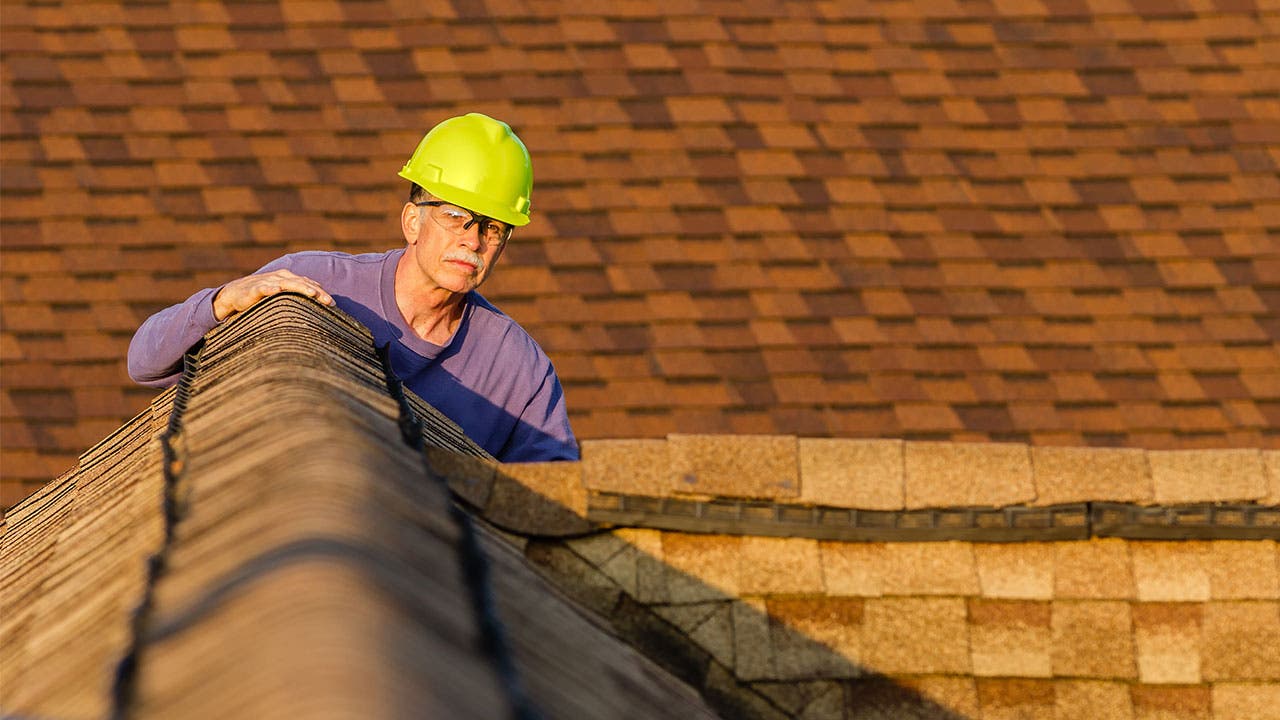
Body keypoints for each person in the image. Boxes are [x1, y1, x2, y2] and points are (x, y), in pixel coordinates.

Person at [128, 113, 578, 462]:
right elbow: (144, 362)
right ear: (411, 221)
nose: (473, 240)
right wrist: (222, 302)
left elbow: (560, 503)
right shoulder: (311, 285)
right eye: (456, 216)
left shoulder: (520, 371)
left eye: (494, 228)